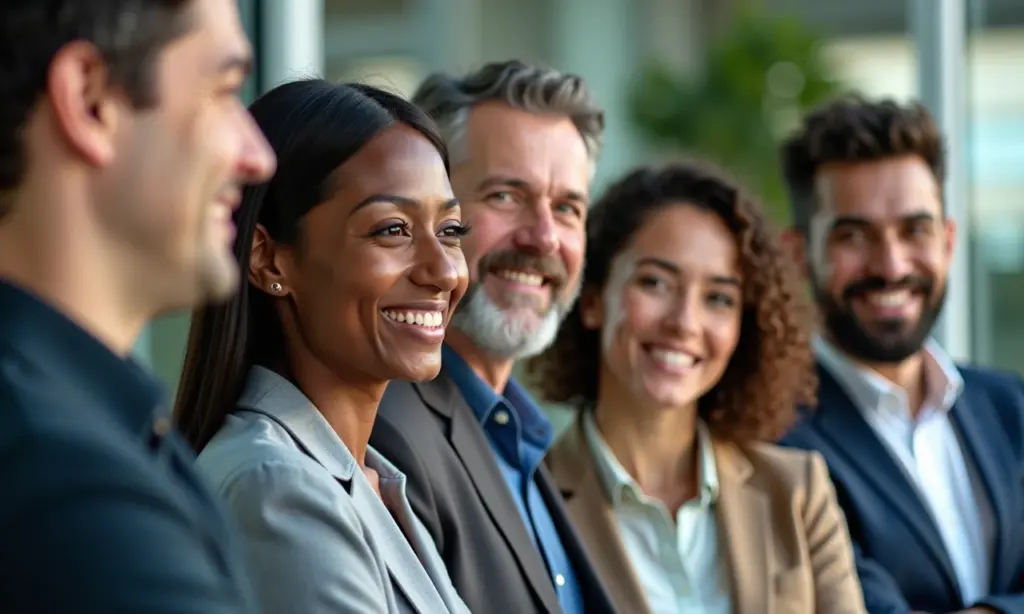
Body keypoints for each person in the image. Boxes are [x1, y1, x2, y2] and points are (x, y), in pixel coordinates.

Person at [0, 0, 275, 611]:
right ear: (91, 101)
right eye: (224, 91)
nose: (258, 157)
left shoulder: (86, 431)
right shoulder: (69, 490)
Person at [174, 78, 472, 614]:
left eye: (450, 230)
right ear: (268, 259)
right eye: (393, 230)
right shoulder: (277, 486)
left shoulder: (375, 478)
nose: (444, 271)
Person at [528, 162, 867, 614]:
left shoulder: (797, 492)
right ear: (592, 300)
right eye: (655, 283)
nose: (685, 323)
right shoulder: (533, 498)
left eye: (718, 298)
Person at [369, 60, 617, 614]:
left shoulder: (531, 440)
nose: (544, 238)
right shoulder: (384, 436)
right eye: (506, 196)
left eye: (567, 208)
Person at [778, 95, 1024, 614]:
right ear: (799, 254)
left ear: (948, 241)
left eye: (915, 230)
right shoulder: (774, 439)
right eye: (853, 236)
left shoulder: (1013, 408)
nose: (891, 266)